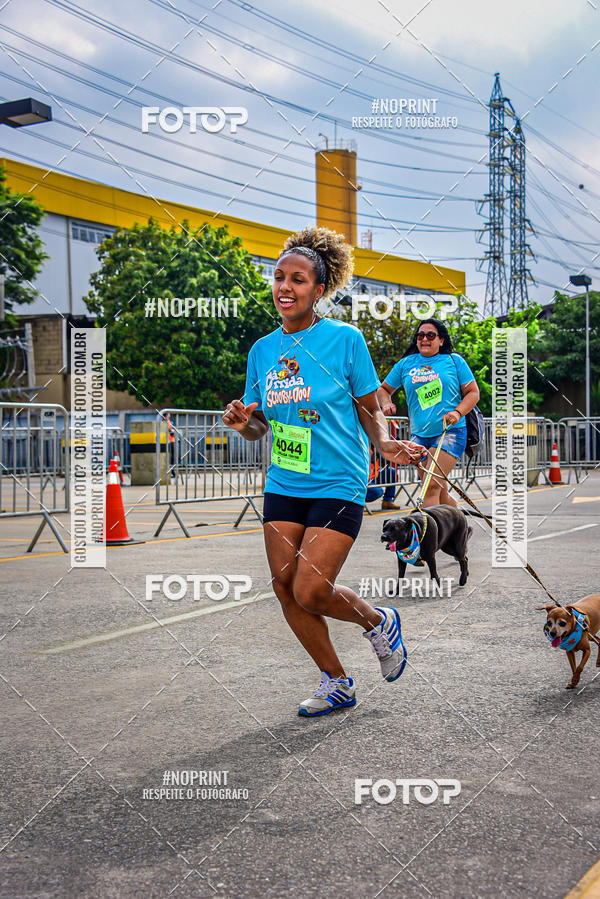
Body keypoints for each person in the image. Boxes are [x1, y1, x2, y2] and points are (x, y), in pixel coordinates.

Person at [222, 226, 425, 717]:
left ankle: (377, 622)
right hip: (285, 481)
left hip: (339, 478)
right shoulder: (262, 351)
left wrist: (385, 444)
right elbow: (260, 429)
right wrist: (242, 422)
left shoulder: (344, 340)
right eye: (278, 277)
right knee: (283, 585)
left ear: (319, 289)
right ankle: (336, 681)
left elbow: (369, 406)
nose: (284, 287)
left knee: (311, 589)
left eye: (297, 279)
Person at [377, 318, 479, 509]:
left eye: (430, 335)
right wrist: (386, 403)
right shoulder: (406, 364)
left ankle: (427, 537)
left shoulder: (453, 361)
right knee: (437, 490)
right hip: (419, 436)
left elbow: (473, 393)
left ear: (441, 340)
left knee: (430, 487)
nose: (424, 339)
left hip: (450, 433)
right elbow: (383, 389)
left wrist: (457, 413)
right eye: (420, 335)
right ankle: (459, 530)